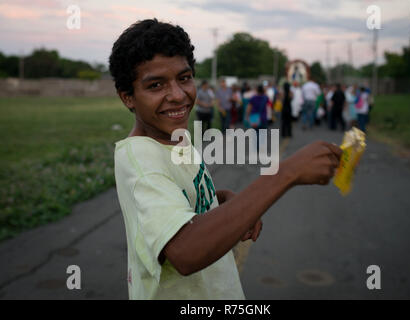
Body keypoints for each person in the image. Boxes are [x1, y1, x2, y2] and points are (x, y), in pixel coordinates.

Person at [110, 18, 342, 300]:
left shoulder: (175, 137)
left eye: (184, 78)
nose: (178, 95)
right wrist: (285, 173)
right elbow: (185, 252)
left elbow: (179, 198)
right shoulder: (140, 159)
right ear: (128, 98)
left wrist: (218, 201)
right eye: (156, 85)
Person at [246, 84, 269, 152]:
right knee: (263, 133)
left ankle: (256, 147)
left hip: (254, 118)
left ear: (256, 90)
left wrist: (247, 116)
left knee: (255, 132)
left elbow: (249, 108)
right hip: (263, 118)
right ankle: (261, 147)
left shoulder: (253, 98)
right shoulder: (265, 98)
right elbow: (269, 106)